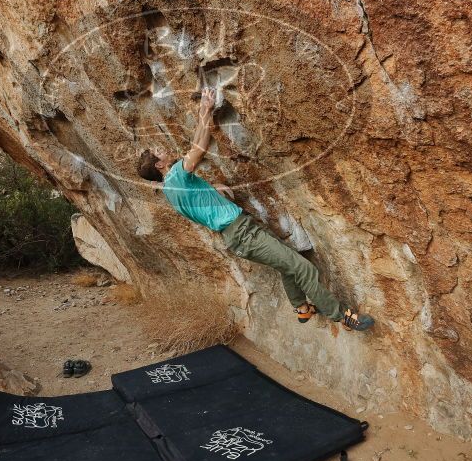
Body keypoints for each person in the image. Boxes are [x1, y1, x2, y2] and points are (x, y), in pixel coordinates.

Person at [136, 87, 375, 332]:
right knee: (303, 268)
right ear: (160, 165)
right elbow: (199, 148)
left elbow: (194, 155)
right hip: (243, 234)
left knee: (287, 263)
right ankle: (341, 315)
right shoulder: (176, 175)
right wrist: (205, 110)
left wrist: (204, 114)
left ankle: (301, 308)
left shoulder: (170, 190)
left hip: (239, 233)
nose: (163, 149)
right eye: (158, 152)